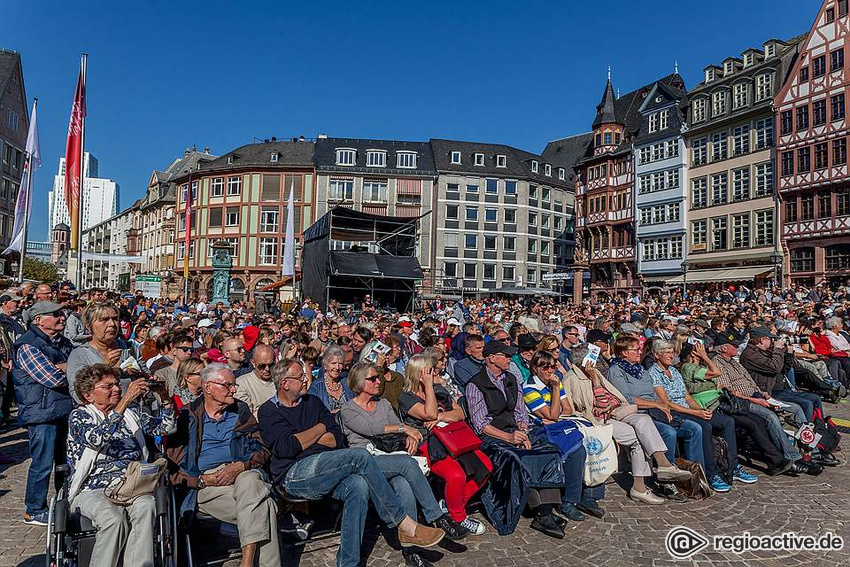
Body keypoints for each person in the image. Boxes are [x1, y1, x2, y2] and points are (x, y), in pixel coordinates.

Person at [258, 358, 445, 567]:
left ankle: (348, 563)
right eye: (300, 377)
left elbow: (335, 437)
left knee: (359, 485)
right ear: (285, 383)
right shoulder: (268, 411)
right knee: (359, 456)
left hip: (328, 463)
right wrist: (320, 429)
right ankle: (403, 523)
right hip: (294, 474)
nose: (305, 380)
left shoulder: (313, 402)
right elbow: (286, 448)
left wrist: (304, 438)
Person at [340, 361, 468, 566]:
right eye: (371, 378)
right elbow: (371, 428)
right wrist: (403, 429)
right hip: (364, 460)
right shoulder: (348, 409)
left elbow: (397, 428)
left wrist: (409, 436)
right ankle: (436, 516)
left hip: (390, 457)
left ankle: (411, 551)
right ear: (358, 382)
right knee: (408, 464)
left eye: (377, 377)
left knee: (404, 485)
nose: (377, 381)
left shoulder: (382, 404)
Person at [167, 363, 281, 567]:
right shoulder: (187, 416)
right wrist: (200, 481)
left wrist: (241, 466)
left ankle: (246, 563)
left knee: (250, 479)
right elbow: (173, 468)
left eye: (234, 385)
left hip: (242, 474)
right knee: (266, 507)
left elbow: (262, 449)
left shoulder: (240, 410)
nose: (234, 390)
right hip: (208, 484)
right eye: (228, 385)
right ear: (208, 387)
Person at [67, 364, 174, 567]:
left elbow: (166, 427)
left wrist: (165, 398)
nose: (116, 389)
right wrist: (125, 401)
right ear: (89, 395)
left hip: (131, 485)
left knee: (147, 506)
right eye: (108, 386)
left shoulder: (130, 415)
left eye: (116, 384)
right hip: (93, 488)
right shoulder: (80, 416)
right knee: (113, 519)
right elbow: (97, 438)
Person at [563, 344, 691, 505]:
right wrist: (596, 383)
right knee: (637, 438)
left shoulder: (595, 374)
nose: (595, 363)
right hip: (598, 420)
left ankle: (664, 463)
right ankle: (639, 487)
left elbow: (616, 397)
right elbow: (596, 405)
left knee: (644, 420)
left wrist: (610, 402)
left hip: (617, 412)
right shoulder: (574, 379)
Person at [465, 340, 568, 538]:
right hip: (492, 438)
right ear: (492, 358)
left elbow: (521, 413)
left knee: (550, 451)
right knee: (514, 458)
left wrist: (522, 432)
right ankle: (537, 507)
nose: (510, 359)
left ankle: (545, 511)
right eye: (506, 355)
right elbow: (480, 425)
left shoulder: (511, 379)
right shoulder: (475, 384)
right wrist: (509, 437)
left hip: (514, 432)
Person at [398, 354, 491, 535]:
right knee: (455, 475)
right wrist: (428, 388)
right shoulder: (406, 397)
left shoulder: (440, 388)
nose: (433, 374)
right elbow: (429, 414)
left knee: (485, 466)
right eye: (429, 371)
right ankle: (459, 517)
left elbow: (460, 413)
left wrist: (440, 416)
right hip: (430, 444)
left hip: (453, 438)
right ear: (418, 373)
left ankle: (451, 505)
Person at [649, 340, 756, 491]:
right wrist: (695, 413)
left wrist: (701, 410)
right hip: (675, 411)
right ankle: (709, 474)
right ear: (656, 355)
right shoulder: (654, 374)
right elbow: (666, 402)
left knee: (727, 422)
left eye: (672, 352)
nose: (671, 355)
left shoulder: (674, 371)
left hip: (689, 407)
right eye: (667, 352)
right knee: (703, 426)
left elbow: (687, 397)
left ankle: (732, 467)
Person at [711, 333, 820, 475]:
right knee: (770, 417)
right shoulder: (720, 363)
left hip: (758, 394)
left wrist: (762, 393)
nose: (738, 347)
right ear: (724, 348)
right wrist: (756, 399)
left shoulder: (733, 361)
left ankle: (810, 450)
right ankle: (793, 456)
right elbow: (729, 392)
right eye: (734, 345)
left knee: (796, 408)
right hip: (743, 401)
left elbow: (750, 380)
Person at [605, 336, 706, 489]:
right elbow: (627, 398)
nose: (640, 352)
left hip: (654, 410)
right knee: (668, 433)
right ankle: (666, 479)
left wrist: (662, 406)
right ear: (624, 353)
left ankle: (697, 478)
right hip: (637, 412)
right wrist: (658, 404)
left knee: (694, 428)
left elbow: (652, 393)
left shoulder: (640, 369)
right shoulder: (616, 371)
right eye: (636, 349)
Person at [679, 342, 791, 476]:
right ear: (693, 353)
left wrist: (721, 387)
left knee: (758, 421)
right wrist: (706, 356)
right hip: (711, 405)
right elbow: (716, 372)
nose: (703, 351)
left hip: (722, 401)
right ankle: (776, 460)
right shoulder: (689, 367)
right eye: (699, 349)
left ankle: (774, 460)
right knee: (751, 423)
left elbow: (715, 380)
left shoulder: (701, 367)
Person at [13, 300, 75, 525]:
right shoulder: (28, 345)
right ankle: (34, 509)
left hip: (63, 409)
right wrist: (68, 367)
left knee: (65, 461)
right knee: (42, 462)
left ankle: (65, 502)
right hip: (40, 412)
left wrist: (67, 366)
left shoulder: (62, 342)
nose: (61, 318)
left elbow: (79, 366)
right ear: (39, 320)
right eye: (55, 314)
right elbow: (53, 377)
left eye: (62, 313)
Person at [67, 302, 133, 402]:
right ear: (89, 327)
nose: (112, 324)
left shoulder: (128, 348)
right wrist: (104, 368)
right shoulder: (80, 355)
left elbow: (146, 376)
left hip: (132, 412)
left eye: (115, 319)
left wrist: (138, 374)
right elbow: (78, 395)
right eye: (104, 320)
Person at [308, 344, 353, 412]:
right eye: (333, 363)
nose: (337, 367)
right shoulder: (316, 387)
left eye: (340, 364)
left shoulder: (347, 383)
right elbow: (311, 412)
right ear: (325, 365)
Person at [234, 344, 277, 417]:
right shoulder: (241, 384)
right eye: (262, 366)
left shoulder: (281, 380)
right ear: (253, 363)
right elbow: (248, 415)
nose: (267, 369)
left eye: (271, 365)